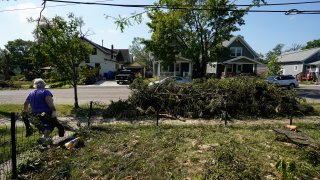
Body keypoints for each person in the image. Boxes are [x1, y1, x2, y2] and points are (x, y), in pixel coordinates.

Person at [23, 78, 65, 145]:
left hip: (35, 115)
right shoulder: (45, 92)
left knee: (44, 127)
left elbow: (25, 104)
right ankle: (44, 142)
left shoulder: (31, 93)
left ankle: (45, 140)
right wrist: (54, 111)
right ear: (44, 84)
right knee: (50, 126)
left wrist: (26, 112)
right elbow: (49, 102)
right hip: (46, 114)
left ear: (35, 85)